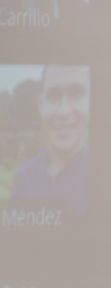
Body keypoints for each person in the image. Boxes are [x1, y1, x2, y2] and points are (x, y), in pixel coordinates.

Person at [11, 65, 89, 215]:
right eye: (53, 96)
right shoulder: (22, 178)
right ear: (41, 106)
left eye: (76, 94)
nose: (63, 112)